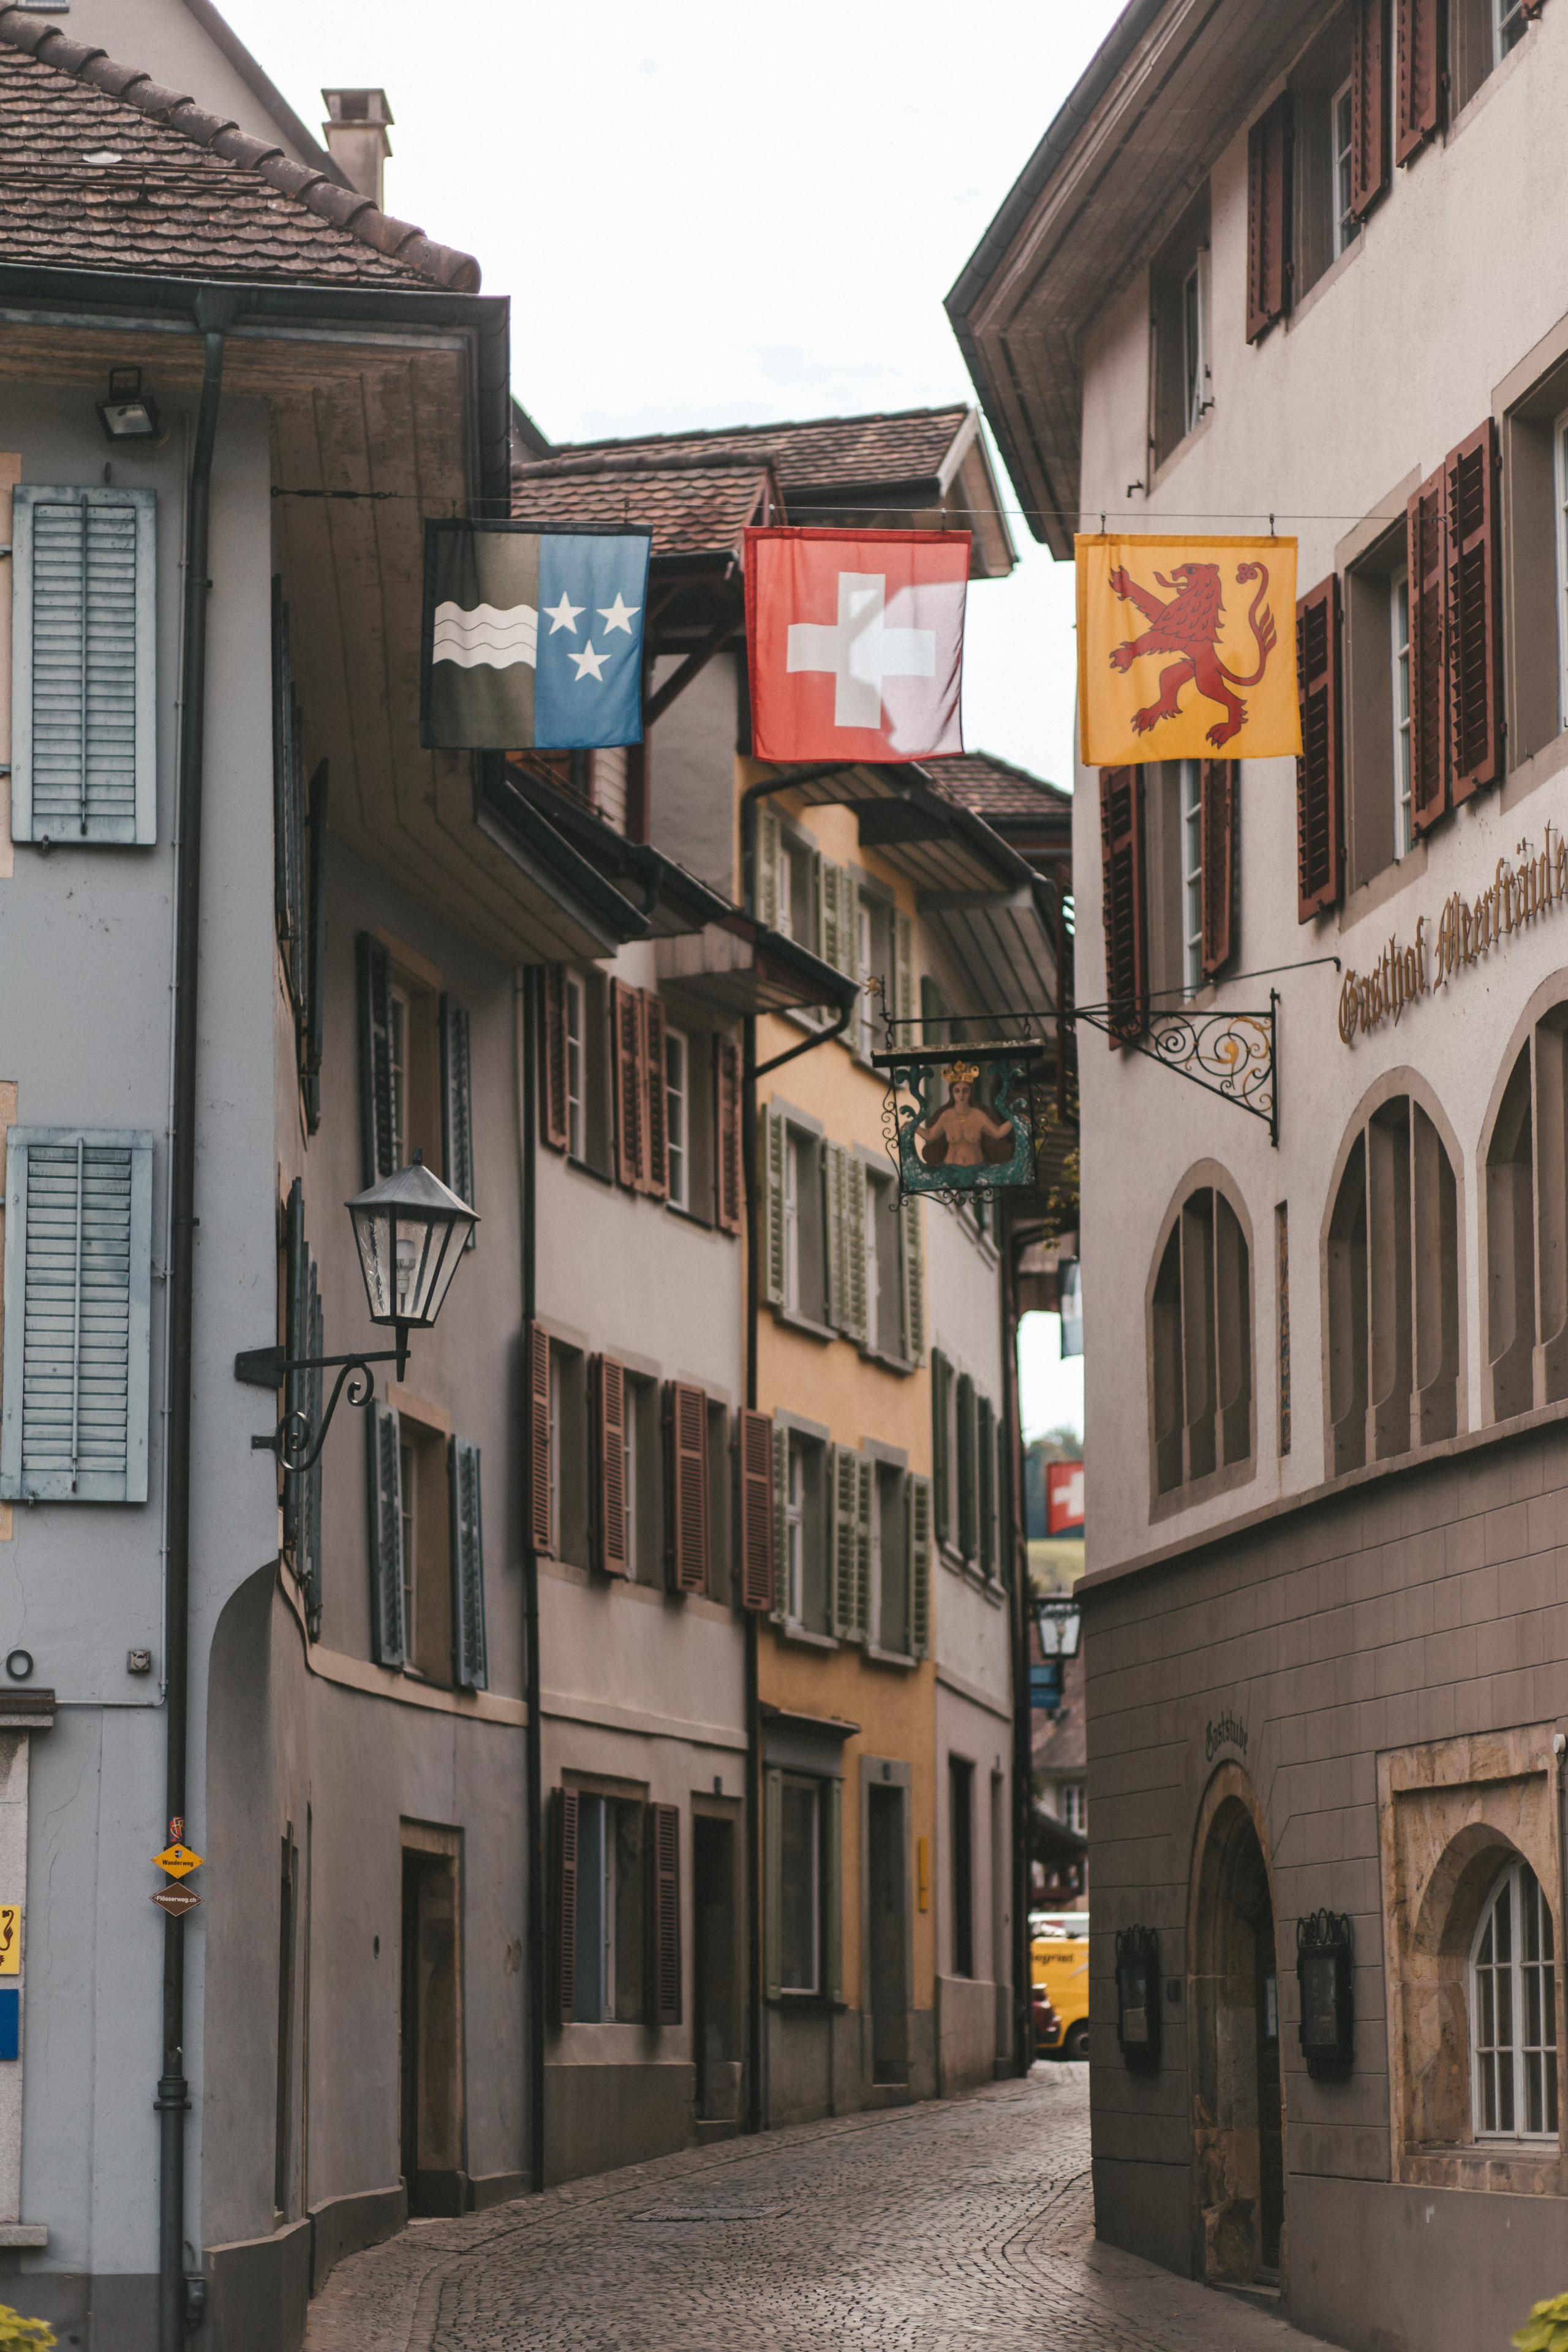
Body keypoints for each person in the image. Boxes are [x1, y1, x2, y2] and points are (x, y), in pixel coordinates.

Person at [914, 1061, 1013, 1167]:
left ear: (971, 1093)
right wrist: (912, 1126)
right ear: (952, 1093)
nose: (961, 1095)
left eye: (965, 1091)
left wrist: (1015, 1120)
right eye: (957, 1091)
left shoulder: (978, 1115)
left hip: (976, 1169)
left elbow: (998, 1132)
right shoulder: (947, 1115)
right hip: (950, 1170)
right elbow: (930, 1135)